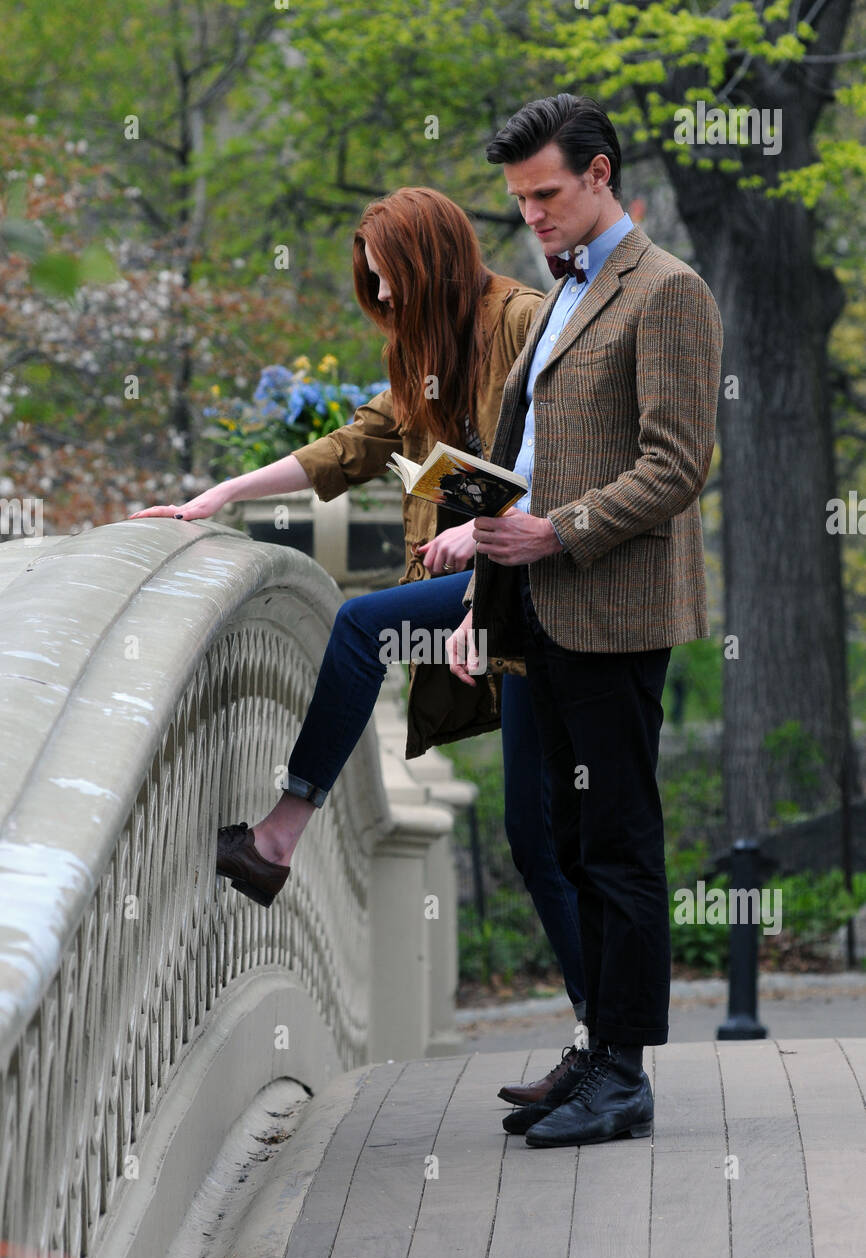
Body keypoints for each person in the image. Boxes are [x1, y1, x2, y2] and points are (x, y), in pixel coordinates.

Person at [130, 188, 588, 1097]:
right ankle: (600, 1039)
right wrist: (218, 496)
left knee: (358, 628)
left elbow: (565, 466)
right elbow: (353, 446)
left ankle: (279, 835)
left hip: (547, 585)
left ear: (429, 266)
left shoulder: (524, 321)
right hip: (492, 596)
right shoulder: (422, 352)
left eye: (391, 286)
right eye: (375, 292)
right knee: (537, 836)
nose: (384, 304)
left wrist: (476, 585)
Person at [447, 96, 723, 1146]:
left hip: (608, 605)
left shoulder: (668, 291)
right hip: (534, 605)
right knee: (563, 837)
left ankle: (625, 1073)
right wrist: (483, 545)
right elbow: (526, 455)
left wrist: (554, 531)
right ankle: (595, 1043)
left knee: (615, 842)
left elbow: (673, 465)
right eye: (518, 202)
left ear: (599, 173)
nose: (532, 218)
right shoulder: (562, 292)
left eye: (546, 195)